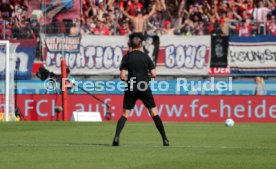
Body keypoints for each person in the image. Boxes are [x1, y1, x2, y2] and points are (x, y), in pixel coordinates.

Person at [112, 34, 169, 146]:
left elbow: (122, 77)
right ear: (141, 45)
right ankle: (165, 139)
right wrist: (145, 79)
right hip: (143, 85)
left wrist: (131, 81)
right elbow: (154, 74)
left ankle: (116, 137)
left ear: (131, 45)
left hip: (131, 86)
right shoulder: (146, 57)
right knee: (154, 113)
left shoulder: (126, 57)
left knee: (125, 114)